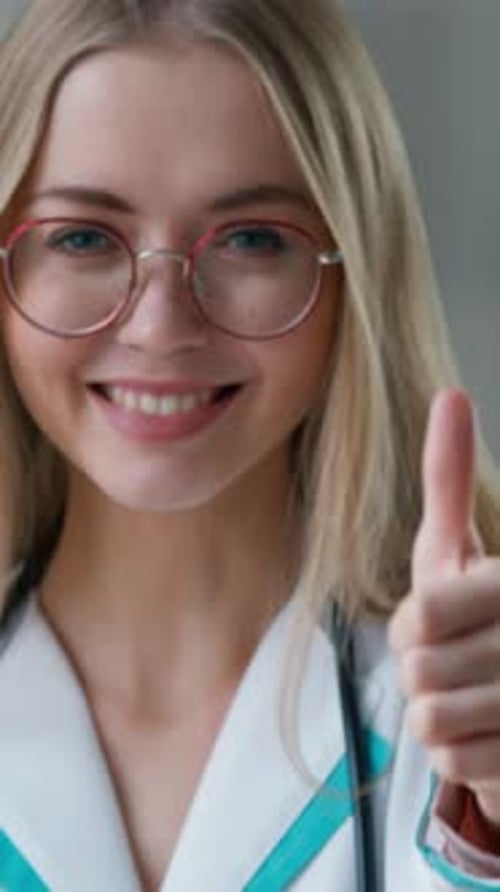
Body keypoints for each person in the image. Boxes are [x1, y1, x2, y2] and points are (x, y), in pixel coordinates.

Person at [0, 0, 500, 890]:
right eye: (81, 236)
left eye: (253, 239)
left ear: (357, 275)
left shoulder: (465, 720)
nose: (159, 326)